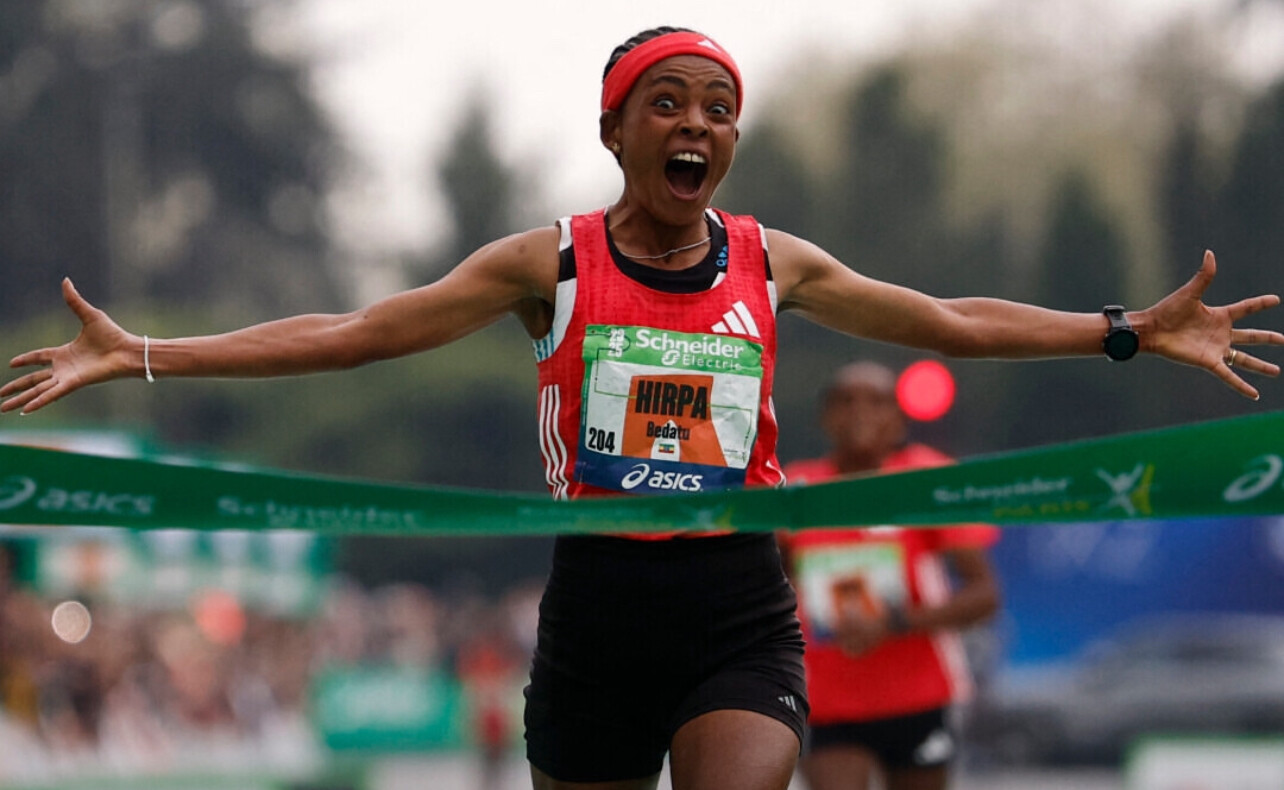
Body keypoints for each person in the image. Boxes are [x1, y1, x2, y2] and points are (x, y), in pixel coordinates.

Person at [2, 25, 1281, 790]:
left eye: (719, 110)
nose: (696, 125)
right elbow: (351, 335)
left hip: (737, 605)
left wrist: (1124, 329)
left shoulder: (773, 262)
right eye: (667, 103)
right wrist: (147, 354)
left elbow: (946, 320)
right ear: (616, 131)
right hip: (596, 614)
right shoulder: (545, 264)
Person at [780, 361, 1000, 790]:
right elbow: (769, 590)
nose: (860, 413)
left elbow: (984, 596)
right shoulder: (796, 489)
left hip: (917, 695)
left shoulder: (928, 479)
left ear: (899, 420)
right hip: (826, 700)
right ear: (825, 418)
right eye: (845, 401)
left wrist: (894, 621)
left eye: (877, 402)